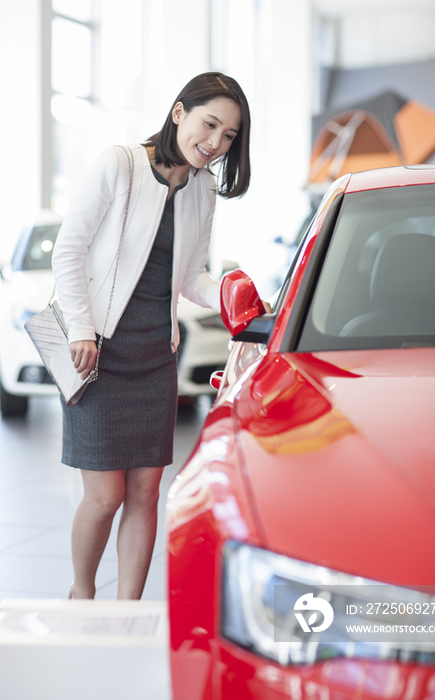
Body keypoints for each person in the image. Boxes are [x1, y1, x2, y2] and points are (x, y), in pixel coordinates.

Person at [52, 72, 267, 600]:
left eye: (229, 136)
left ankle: (128, 609)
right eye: (209, 124)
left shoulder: (204, 189)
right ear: (179, 113)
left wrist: (238, 297)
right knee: (105, 494)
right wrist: (79, 328)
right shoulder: (119, 163)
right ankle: (82, 594)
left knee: (147, 491)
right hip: (95, 352)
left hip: (154, 355)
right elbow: (68, 251)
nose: (215, 143)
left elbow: (191, 274)